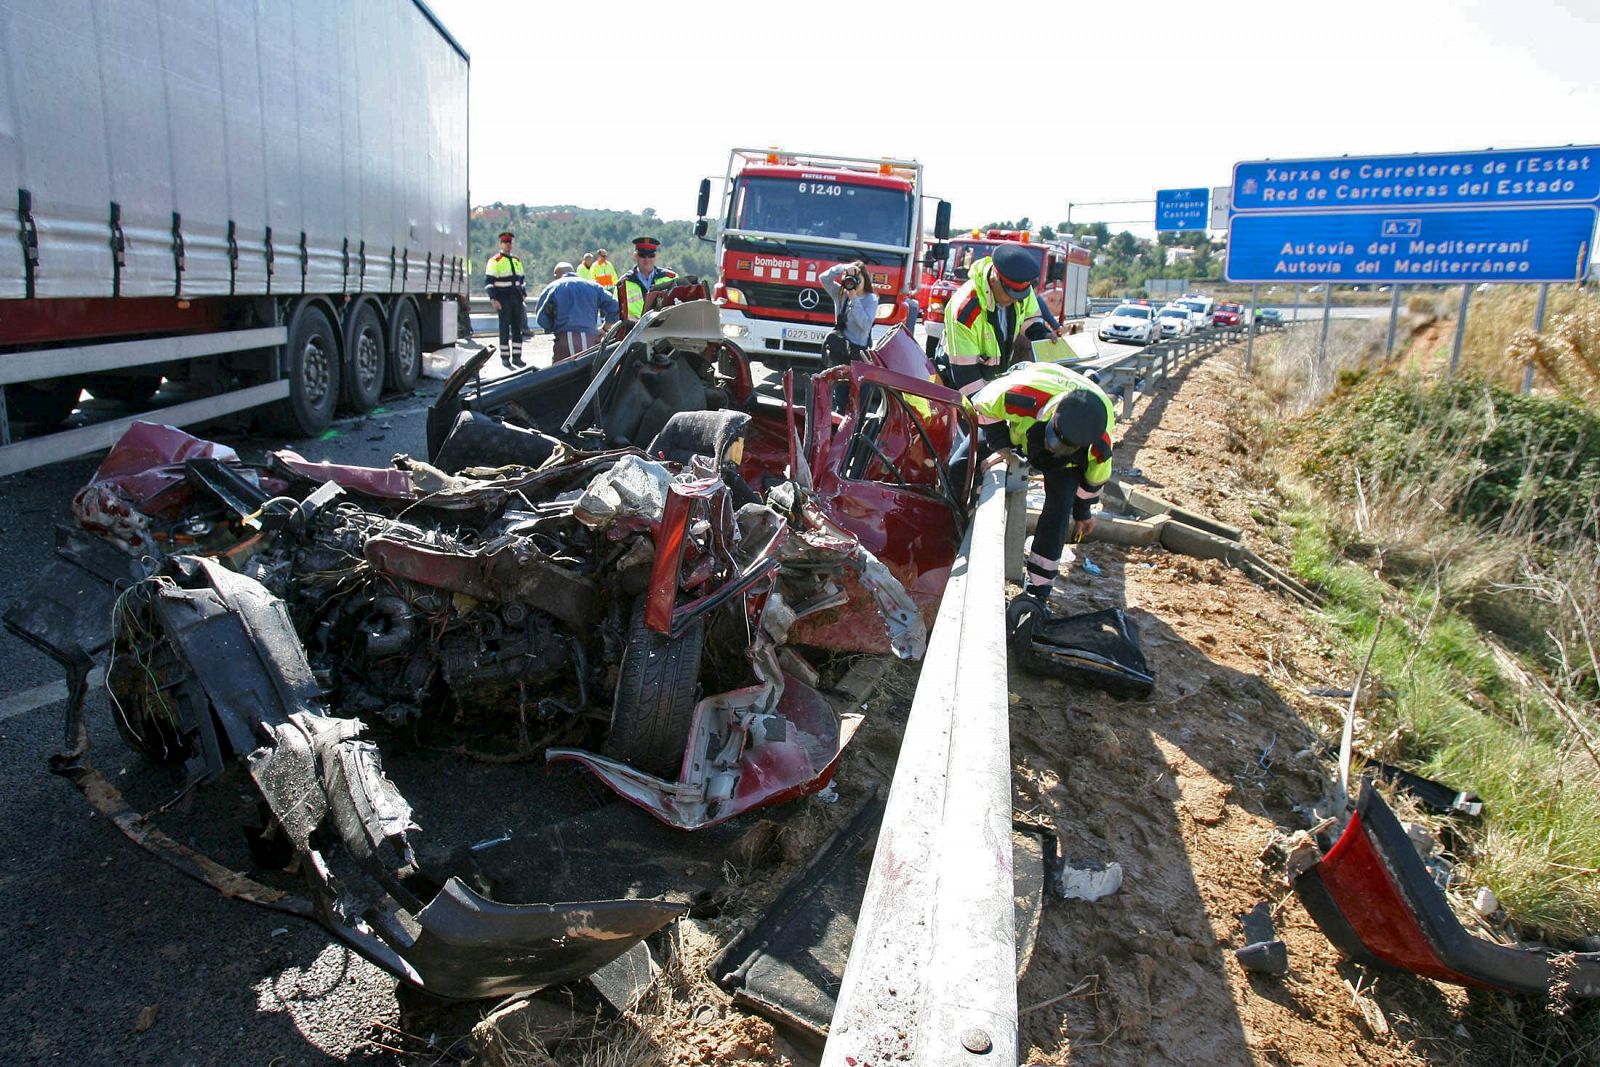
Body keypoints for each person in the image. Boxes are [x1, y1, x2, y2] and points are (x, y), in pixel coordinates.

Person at [971, 361, 1115, 615]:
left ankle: (1038, 591)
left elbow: (1092, 482)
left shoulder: (1099, 446)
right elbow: (981, 402)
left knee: (1060, 508)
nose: (1052, 449)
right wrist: (1001, 446)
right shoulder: (1022, 395)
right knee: (964, 463)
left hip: (1069, 457)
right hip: (1030, 421)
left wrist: (1082, 513)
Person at [943, 244, 1051, 398]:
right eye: (1010, 294)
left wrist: (1043, 335)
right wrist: (992, 418)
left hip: (996, 383)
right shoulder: (965, 311)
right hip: (963, 391)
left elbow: (1030, 317)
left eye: (1020, 296)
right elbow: (966, 379)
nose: (1015, 301)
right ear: (994, 280)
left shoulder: (1019, 290)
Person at [535, 261, 620, 361]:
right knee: (590, 374)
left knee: (563, 374)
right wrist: (605, 328)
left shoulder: (553, 287)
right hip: (590, 341)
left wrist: (554, 328)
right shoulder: (593, 287)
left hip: (564, 342)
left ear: (556, 276)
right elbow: (615, 307)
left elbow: (541, 318)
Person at [817, 260, 878, 364]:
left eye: (857, 279)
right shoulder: (841, 294)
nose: (854, 283)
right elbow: (823, 279)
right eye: (850, 279)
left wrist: (854, 299)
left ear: (865, 279)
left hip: (857, 352)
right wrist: (843, 267)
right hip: (839, 350)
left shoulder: (870, 299)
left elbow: (865, 325)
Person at [483, 231, 528, 367]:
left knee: (517, 328)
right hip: (503, 298)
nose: (508, 245)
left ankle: (517, 357)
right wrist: (493, 299)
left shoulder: (516, 260)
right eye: (506, 242)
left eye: (510, 242)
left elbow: (521, 279)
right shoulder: (495, 261)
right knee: (504, 328)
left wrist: (524, 294)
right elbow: (489, 282)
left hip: (516, 298)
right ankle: (505, 357)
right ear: (501, 244)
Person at [617, 236, 678, 320]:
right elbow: (615, 310)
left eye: (651, 255)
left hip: (665, 328)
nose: (647, 259)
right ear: (635, 256)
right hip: (634, 329)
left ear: (656, 256)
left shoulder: (671, 278)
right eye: (642, 255)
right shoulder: (623, 283)